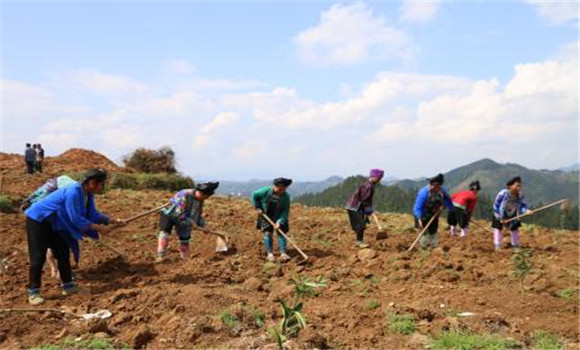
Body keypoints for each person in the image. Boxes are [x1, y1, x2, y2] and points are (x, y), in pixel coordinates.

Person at [24, 169, 124, 305]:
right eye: (101, 184)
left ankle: (68, 287)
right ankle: (33, 292)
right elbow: (76, 218)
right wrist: (99, 228)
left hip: (56, 222)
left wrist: (112, 220)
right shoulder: (74, 190)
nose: (102, 187)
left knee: (63, 253)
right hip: (40, 219)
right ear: (93, 183)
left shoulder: (88, 194)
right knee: (38, 256)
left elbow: (93, 214)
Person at [21, 175, 77, 279]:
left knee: (49, 247)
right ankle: (58, 271)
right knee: (59, 248)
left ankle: (55, 269)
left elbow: (30, 200)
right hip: (47, 219)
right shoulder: (69, 187)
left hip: (36, 218)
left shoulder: (48, 187)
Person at [156, 182, 219, 262]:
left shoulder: (200, 200)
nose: (206, 199)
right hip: (170, 214)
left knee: (185, 239)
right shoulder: (184, 194)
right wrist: (191, 222)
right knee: (164, 233)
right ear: (201, 193)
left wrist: (203, 226)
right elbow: (179, 213)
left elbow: (198, 214)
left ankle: (185, 260)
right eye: (206, 197)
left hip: (185, 219)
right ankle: (161, 256)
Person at [251, 178, 292, 262]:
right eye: (280, 188)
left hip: (279, 216)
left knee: (281, 232)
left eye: (284, 189)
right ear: (275, 186)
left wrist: (280, 221)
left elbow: (285, 211)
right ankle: (270, 253)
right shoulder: (265, 191)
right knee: (268, 233)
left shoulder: (286, 197)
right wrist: (258, 206)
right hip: (265, 215)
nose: (282, 191)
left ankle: (283, 253)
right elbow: (255, 195)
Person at [345, 169, 384, 248]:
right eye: (379, 178)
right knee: (361, 224)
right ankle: (359, 242)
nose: (380, 180)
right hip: (354, 207)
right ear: (374, 177)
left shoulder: (370, 185)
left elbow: (367, 201)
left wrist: (369, 209)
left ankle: (359, 240)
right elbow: (364, 200)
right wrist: (370, 210)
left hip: (358, 207)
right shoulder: (368, 186)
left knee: (361, 224)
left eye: (381, 178)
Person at [492, 176, 533, 251]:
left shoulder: (520, 195)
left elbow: (522, 205)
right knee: (498, 228)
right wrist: (500, 217)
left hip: (513, 213)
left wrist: (526, 211)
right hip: (500, 213)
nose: (519, 188)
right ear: (510, 186)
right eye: (517, 186)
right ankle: (497, 245)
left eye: (520, 186)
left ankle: (515, 245)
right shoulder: (503, 193)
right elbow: (496, 204)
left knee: (514, 229)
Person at [413, 173, 454, 249]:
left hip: (434, 213)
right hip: (422, 215)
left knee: (433, 230)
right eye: (436, 186)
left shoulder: (441, 191)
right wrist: (419, 220)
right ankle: (424, 247)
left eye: (439, 186)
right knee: (423, 232)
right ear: (433, 185)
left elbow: (448, 201)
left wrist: (447, 208)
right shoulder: (424, 193)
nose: (438, 188)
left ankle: (434, 247)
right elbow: (417, 208)